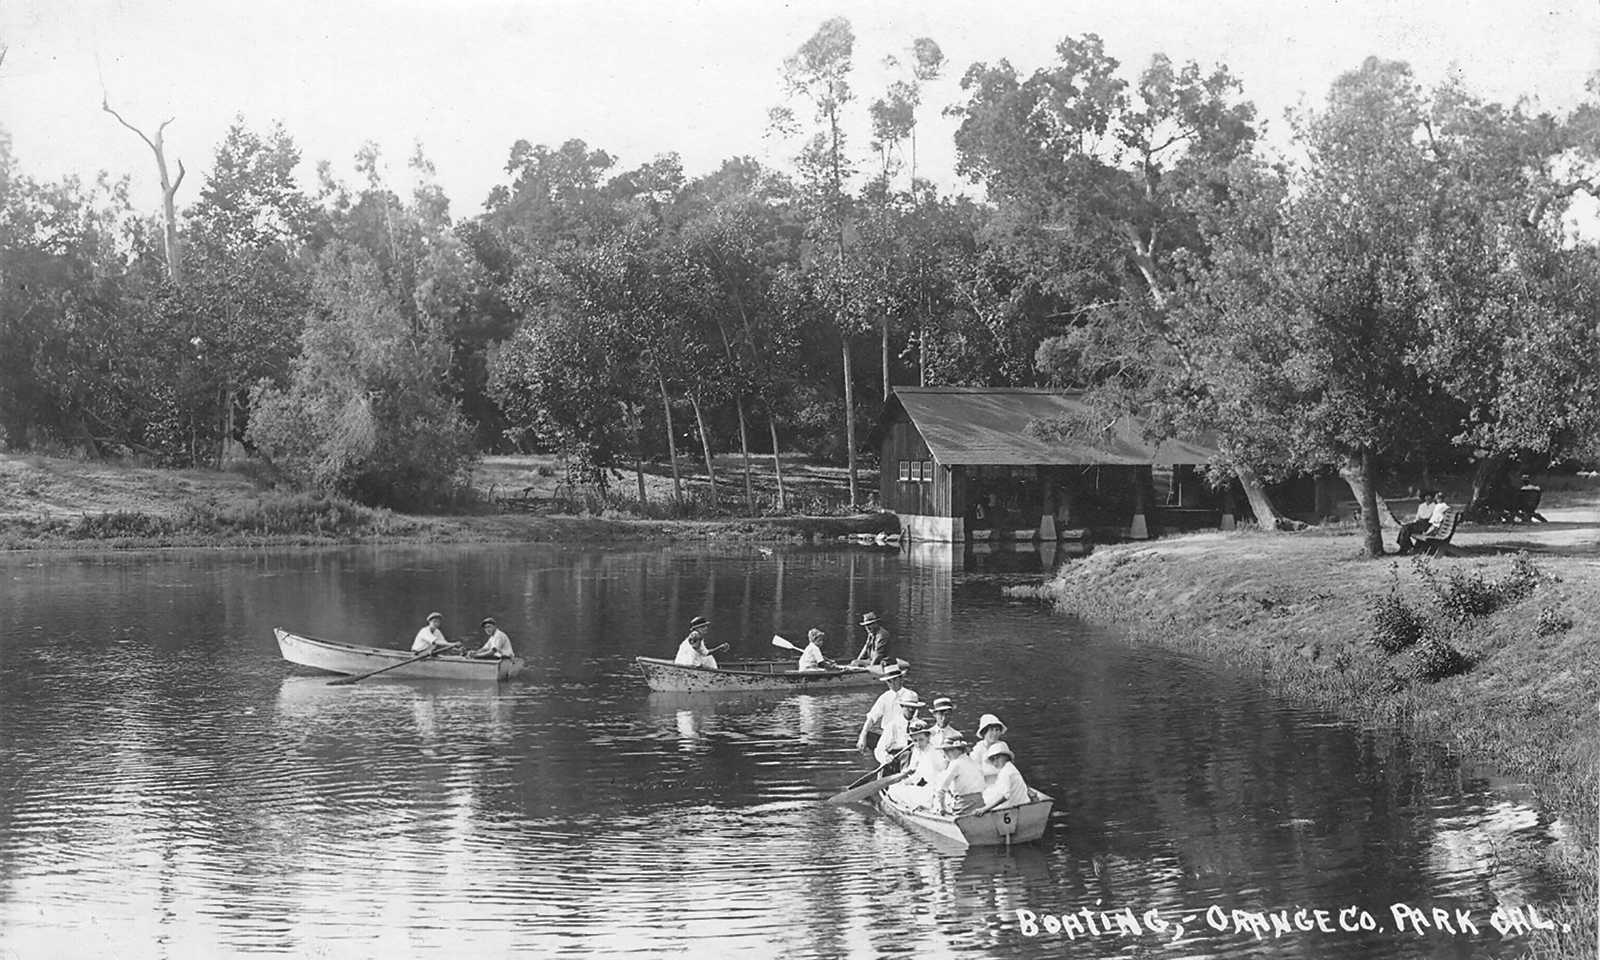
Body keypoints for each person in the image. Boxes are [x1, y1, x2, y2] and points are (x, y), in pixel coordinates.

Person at [856, 663, 919, 752]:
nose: (892, 683)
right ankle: (884, 753)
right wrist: (863, 735)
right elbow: (872, 717)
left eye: (894, 679)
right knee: (863, 732)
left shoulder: (911, 695)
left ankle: (893, 752)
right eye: (889, 681)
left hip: (903, 733)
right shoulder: (884, 697)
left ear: (901, 678)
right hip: (886, 734)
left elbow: (912, 719)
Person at [930, 731, 986, 816]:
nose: (945, 753)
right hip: (980, 803)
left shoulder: (955, 764)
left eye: (949, 750)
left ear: (959, 750)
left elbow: (941, 789)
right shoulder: (973, 762)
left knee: (935, 806)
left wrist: (942, 808)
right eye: (945, 750)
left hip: (964, 806)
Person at [886, 719, 939, 808]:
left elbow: (925, 777)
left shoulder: (932, 753)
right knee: (894, 788)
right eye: (915, 740)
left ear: (928, 738)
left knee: (894, 790)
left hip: (933, 791)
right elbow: (915, 771)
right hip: (925, 786)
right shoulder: (918, 750)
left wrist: (909, 781)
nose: (917, 744)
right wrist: (906, 778)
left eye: (921, 739)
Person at [975, 741, 1031, 814]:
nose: (995, 762)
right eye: (992, 759)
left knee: (984, 800)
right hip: (1022, 804)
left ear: (1006, 757)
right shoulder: (1011, 767)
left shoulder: (1005, 772)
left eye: (998, 758)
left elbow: (1004, 795)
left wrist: (984, 809)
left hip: (1013, 808)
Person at [874, 690, 924, 768]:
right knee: (907, 754)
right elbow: (879, 750)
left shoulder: (921, 725)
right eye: (908, 707)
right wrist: (886, 757)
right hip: (895, 759)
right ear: (901, 706)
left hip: (915, 758)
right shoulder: (892, 725)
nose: (911, 710)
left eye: (914, 707)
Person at [1396, 490, 1446, 555]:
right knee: (1404, 528)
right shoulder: (1421, 506)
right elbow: (1418, 517)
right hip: (1419, 523)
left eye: (1429, 496)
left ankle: (1407, 548)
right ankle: (1405, 547)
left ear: (1432, 497)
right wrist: (1412, 523)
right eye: (1426, 496)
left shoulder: (1434, 506)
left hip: (1427, 525)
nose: (1427, 498)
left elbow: (1430, 518)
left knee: (1406, 529)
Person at [970, 713, 1008, 783]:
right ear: (984, 732)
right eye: (991, 730)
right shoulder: (978, 749)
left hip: (1003, 783)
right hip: (983, 786)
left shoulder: (1002, 746)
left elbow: (1009, 769)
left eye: (997, 730)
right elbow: (973, 774)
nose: (994, 733)